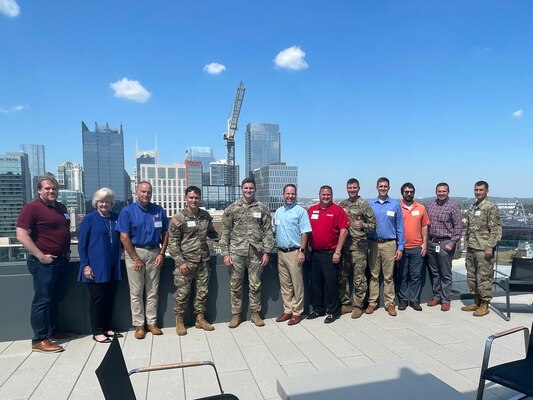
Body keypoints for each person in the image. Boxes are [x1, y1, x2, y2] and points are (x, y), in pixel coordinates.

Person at [16, 176, 75, 353]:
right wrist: (40, 256)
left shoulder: (61, 207)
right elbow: (21, 235)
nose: (51, 191)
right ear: (39, 191)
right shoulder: (31, 209)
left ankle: (52, 331)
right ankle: (39, 339)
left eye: (54, 188)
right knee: (42, 300)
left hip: (61, 260)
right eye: (47, 188)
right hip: (44, 262)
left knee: (56, 297)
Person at [117, 181, 169, 339]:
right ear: (136, 192)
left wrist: (161, 253)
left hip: (154, 252)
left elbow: (166, 233)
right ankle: (139, 325)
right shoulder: (127, 211)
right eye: (143, 192)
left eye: (149, 192)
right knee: (136, 292)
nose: (146, 195)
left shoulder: (158, 210)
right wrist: (135, 258)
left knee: (153, 291)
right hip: (135, 251)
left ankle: (152, 323)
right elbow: (123, 237)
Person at [220, 178, 275, 328]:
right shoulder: (231, 209)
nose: (248, 190)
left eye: (251, 188)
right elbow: (225, 232)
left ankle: (255, 313)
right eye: (246, 188)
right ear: (241, 189)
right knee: (235, 285)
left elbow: (268, 231)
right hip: (236, 252)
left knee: (255, 284)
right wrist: (225, 253)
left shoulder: (262, 208)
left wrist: (267, 252)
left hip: (256, 252)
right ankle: (236, 315)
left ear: (255, 189)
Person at [168, 186, 219, 336]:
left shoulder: (205, 216)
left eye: (196, 198)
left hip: (203, 261)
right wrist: (180, 262)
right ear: (186, 199)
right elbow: (173, 243)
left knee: (202, 292)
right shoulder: (179, 218)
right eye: (191, 197)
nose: (194, 200)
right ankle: (179, 321)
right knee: (182, 293)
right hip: (186, 262)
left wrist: (225, 239)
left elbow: (212, 233)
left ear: (200, 199)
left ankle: (200, 319)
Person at [77, 188, 122, 343]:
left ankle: (107, 327)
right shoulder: (89, 219)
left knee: (110, 298)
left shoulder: (116, 217)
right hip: (95, 267)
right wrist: (86, 266)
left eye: (107, 201)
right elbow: (81, 245)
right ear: (96, 202)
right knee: (97, 299)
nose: (104, 204)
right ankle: (97, 331)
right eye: (101, 201)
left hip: (112, 266)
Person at [307, 185, 350, 323]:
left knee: (331, 284)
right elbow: (306, 230)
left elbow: (344, 231)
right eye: (323, 194)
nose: (326, 197)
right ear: (319, 195)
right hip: (314, 253)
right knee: (316, 283)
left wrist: (337, 251)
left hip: (330, 253)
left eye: (328, 195)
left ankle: (333, 311)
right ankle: (318, 309)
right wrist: (306, 248)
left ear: (332, 195)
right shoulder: (311, 210)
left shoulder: (338, 211)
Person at [272, 184, 312, 326]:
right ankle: (287, 310)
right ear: (283, 194)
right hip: (281, 252)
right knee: (285, 284)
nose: (290, 196)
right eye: (287, 193)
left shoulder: (300, 211)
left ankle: (297, 312)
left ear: (295, 195)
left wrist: (302, 250)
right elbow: (273, 231)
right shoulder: (278, 212)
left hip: (295, 252)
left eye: (292, 194)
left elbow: (305, 232)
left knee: (297, 284)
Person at [462, 181, 502, 317]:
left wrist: (490, 246)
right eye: (476, 190)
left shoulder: (491, 207)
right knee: (472, 277)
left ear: (487, 191)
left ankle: (485, 305)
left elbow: (496, 229)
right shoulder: (473, 207)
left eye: (481, 190)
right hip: (472, 247)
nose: (478, 192)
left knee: (483, 277)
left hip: (484, 249)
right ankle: (476, 302)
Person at [338, 178, 376, 319]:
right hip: (344, 246)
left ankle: (358, 305)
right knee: (342, 277)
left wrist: (363, 226)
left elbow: (373, 225)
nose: (352, 190)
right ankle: (346, 304)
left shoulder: (364, 204)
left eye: (354, 188)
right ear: (347, 188)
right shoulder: (342, 204)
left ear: (359, 188)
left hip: (359, 247)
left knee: (359, 278)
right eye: (350, 188)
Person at [366, 177, 404, 317]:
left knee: (388, 276)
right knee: (374, 275)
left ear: (389, 187)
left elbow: (400, 227)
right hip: (373, 243)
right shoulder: (370, 204)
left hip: (389, 244)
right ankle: (372, 303)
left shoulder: (395, 205)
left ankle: (389, 304)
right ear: (377, 187)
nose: (383, 188)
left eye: (385, 186)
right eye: (380, 186)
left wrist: (400, 247)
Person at [426, 182, 462, 311]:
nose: (441, 193)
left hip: (445, 243)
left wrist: (452, 243)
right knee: (434, 272)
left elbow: (458, 227)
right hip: (431, 242)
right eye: (439, 191)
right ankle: (437, 296)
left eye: (444, 191)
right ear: (436, 192)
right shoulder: (430, 205)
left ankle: (446, 299)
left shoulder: (453, 206)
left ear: (448, 192)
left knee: (445, 274)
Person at [397, 183, 430, 312]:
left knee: (415, 276)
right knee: (402, 275)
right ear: (402, 193)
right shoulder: (397, 207)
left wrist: (424, 243)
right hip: (401, 248)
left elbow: (424, 226)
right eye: (406, 192)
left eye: (411, 191)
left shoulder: (421, 208)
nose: (409, 194)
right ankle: (403, 300)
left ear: (414, 193)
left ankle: (414, 300)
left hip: (417, 247)